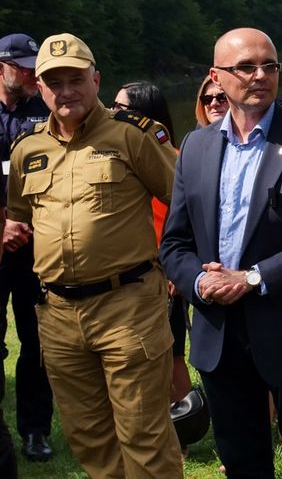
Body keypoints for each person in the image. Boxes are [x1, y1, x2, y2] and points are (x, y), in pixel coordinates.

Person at [160, 27, 282, 478]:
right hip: (220, 334)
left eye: (270, 65)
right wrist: (202, 281)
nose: (260, 75)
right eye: (246, 66)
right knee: (242, 460)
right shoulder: (195, 146)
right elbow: (174, 242)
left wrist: (251, 278)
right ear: (217, 76)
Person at [6, 33, 182, 477]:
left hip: (128, 307)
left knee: (144, 435)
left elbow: (185, 202)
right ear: (39, 87)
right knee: (90, 437)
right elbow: (23, 217)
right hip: (58, 316)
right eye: (54, 81)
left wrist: (183, 266)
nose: (66, 90)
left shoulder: (133, 135)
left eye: (76, 79)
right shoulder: (28, 150)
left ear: (96, 79)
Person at [111, 82, 193, 407]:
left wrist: (178, 269)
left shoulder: (172, 161)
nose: (112, 113)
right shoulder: (120, 159)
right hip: (129, 276)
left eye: (120, 107)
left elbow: (187, 223)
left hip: (163, 275)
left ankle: (185, 428)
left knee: (170, 356)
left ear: (143, 115)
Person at [0, 33, 54, 463]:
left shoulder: (49, 112)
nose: (31, 73)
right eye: (21, 65)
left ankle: (35, 431)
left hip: (38, 246)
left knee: (37, 343)